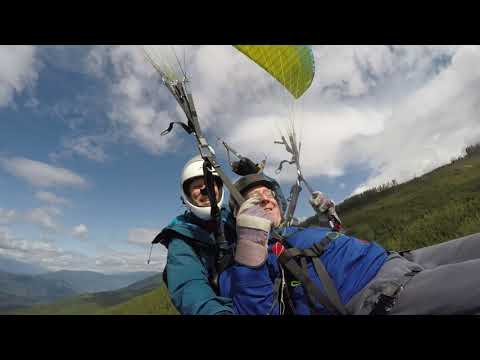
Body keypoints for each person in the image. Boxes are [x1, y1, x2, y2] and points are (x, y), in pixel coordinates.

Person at [218, 173, 480, 315]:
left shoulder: (294, 231)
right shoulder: (242, 266)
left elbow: (332, 249)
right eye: (255, 198)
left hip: (400, 259)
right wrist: (251, 245)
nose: (267, 200)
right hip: (380, 291)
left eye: (269, 193)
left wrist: (329, 217)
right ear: (239, 214)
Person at [153, 155, 237, 315]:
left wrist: (254, 177)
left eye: (210, 183)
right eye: (197, 186)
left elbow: (270, 207)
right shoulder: (181, 236)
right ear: (187, 195)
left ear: (219, 189)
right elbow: (188, 286)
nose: (205, 189)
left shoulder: (236, 216)